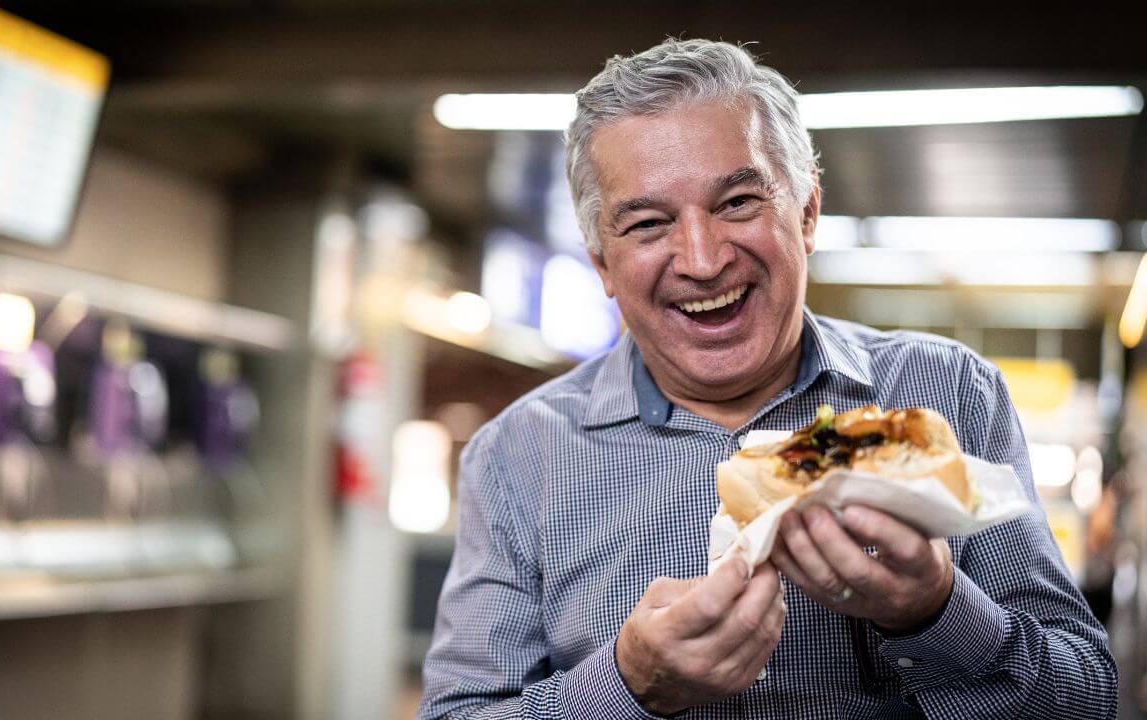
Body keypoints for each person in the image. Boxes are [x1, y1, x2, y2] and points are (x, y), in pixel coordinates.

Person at [418, 38, 1118, 719]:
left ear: (807, 213)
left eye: (737, 204)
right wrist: (630, 685)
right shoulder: (515, 458)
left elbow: (1087, 699)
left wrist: (935, 610)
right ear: (602, 262)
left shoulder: (950, 394)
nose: (700, 258)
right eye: (649, 222)